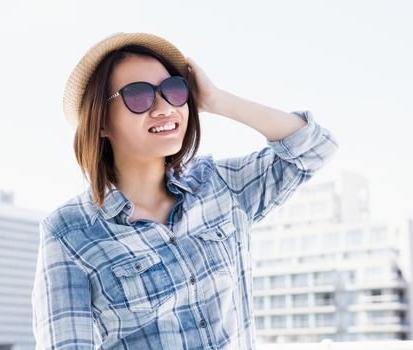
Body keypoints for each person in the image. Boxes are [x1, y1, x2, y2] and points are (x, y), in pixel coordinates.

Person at [31, 32, 339, 349]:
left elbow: (315, 147)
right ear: (101, 123)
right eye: (138, 96)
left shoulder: (219, 185)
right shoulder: (68, 233)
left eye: (173, 91)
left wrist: (217, 100)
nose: (164, 107)